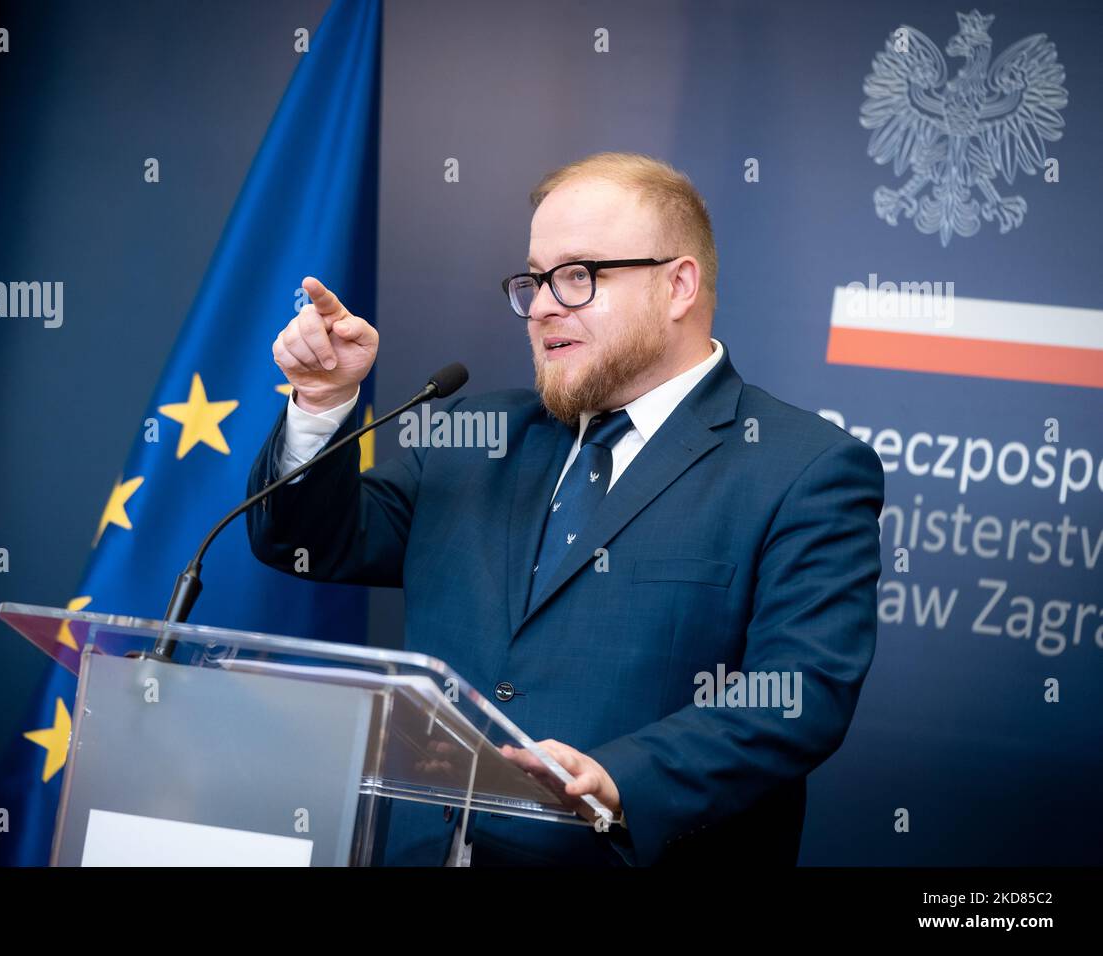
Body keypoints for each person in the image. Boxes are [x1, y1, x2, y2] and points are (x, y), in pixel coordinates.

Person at [246, 151, 884, 866]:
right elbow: (304, 541)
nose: (544, 303)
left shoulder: (802, 467)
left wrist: (620, 779)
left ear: (678, 286)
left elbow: (800, 694)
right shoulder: (474, 438)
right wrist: (322, 403)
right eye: (534, 279)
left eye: (579, 276)